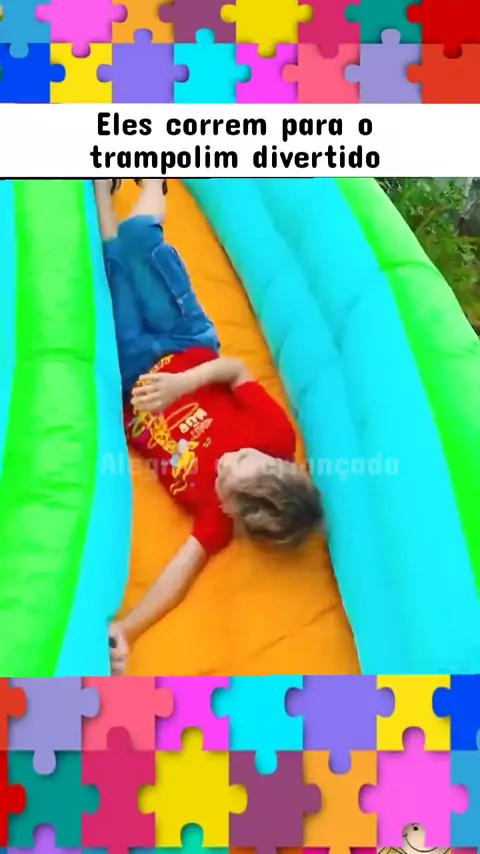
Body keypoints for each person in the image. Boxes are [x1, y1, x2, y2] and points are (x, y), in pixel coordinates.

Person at [94, 178, 323, 676]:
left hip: (133, 373)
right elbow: (235, 370)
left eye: (224, 480)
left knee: (112, 273)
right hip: (185, 341)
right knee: (140, 240)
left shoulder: (221, 516)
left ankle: (100, 192)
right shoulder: (274, 437)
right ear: (272, 461)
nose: (223, 463)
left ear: (233, 511)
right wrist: (181, 384)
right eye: (239, 459)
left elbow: (178, 576)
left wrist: (128, 629)